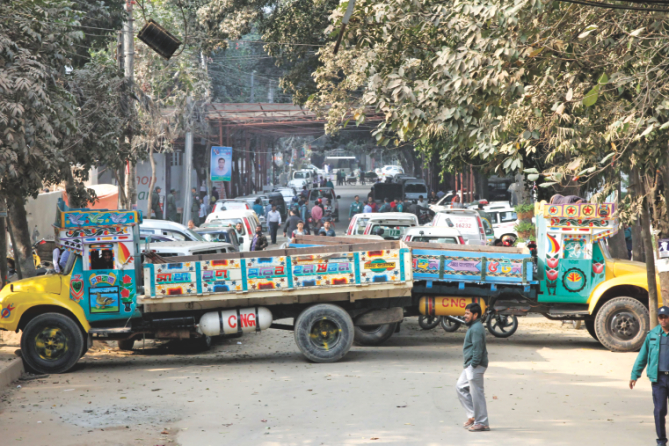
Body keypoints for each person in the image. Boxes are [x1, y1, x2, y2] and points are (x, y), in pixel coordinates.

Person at [631, 306, 669, 446]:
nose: (663, 320)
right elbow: (643, 355)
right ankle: (661, 441)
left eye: (666, 317)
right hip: (658, 379)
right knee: (659, 411)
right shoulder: (652, 335)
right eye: (661, 317)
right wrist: (635, 374)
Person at [457, 303, 490, 432]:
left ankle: (482, 422)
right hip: (470, 365)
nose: (465, 316)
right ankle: (473, 415)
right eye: (465, 313)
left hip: (475, 365)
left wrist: (473, 365)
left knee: (477, 394)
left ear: (475, 315)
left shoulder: (476, 328)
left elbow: (478, 349)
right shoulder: (474, 326)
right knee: (460, 387)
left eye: (467, 314)